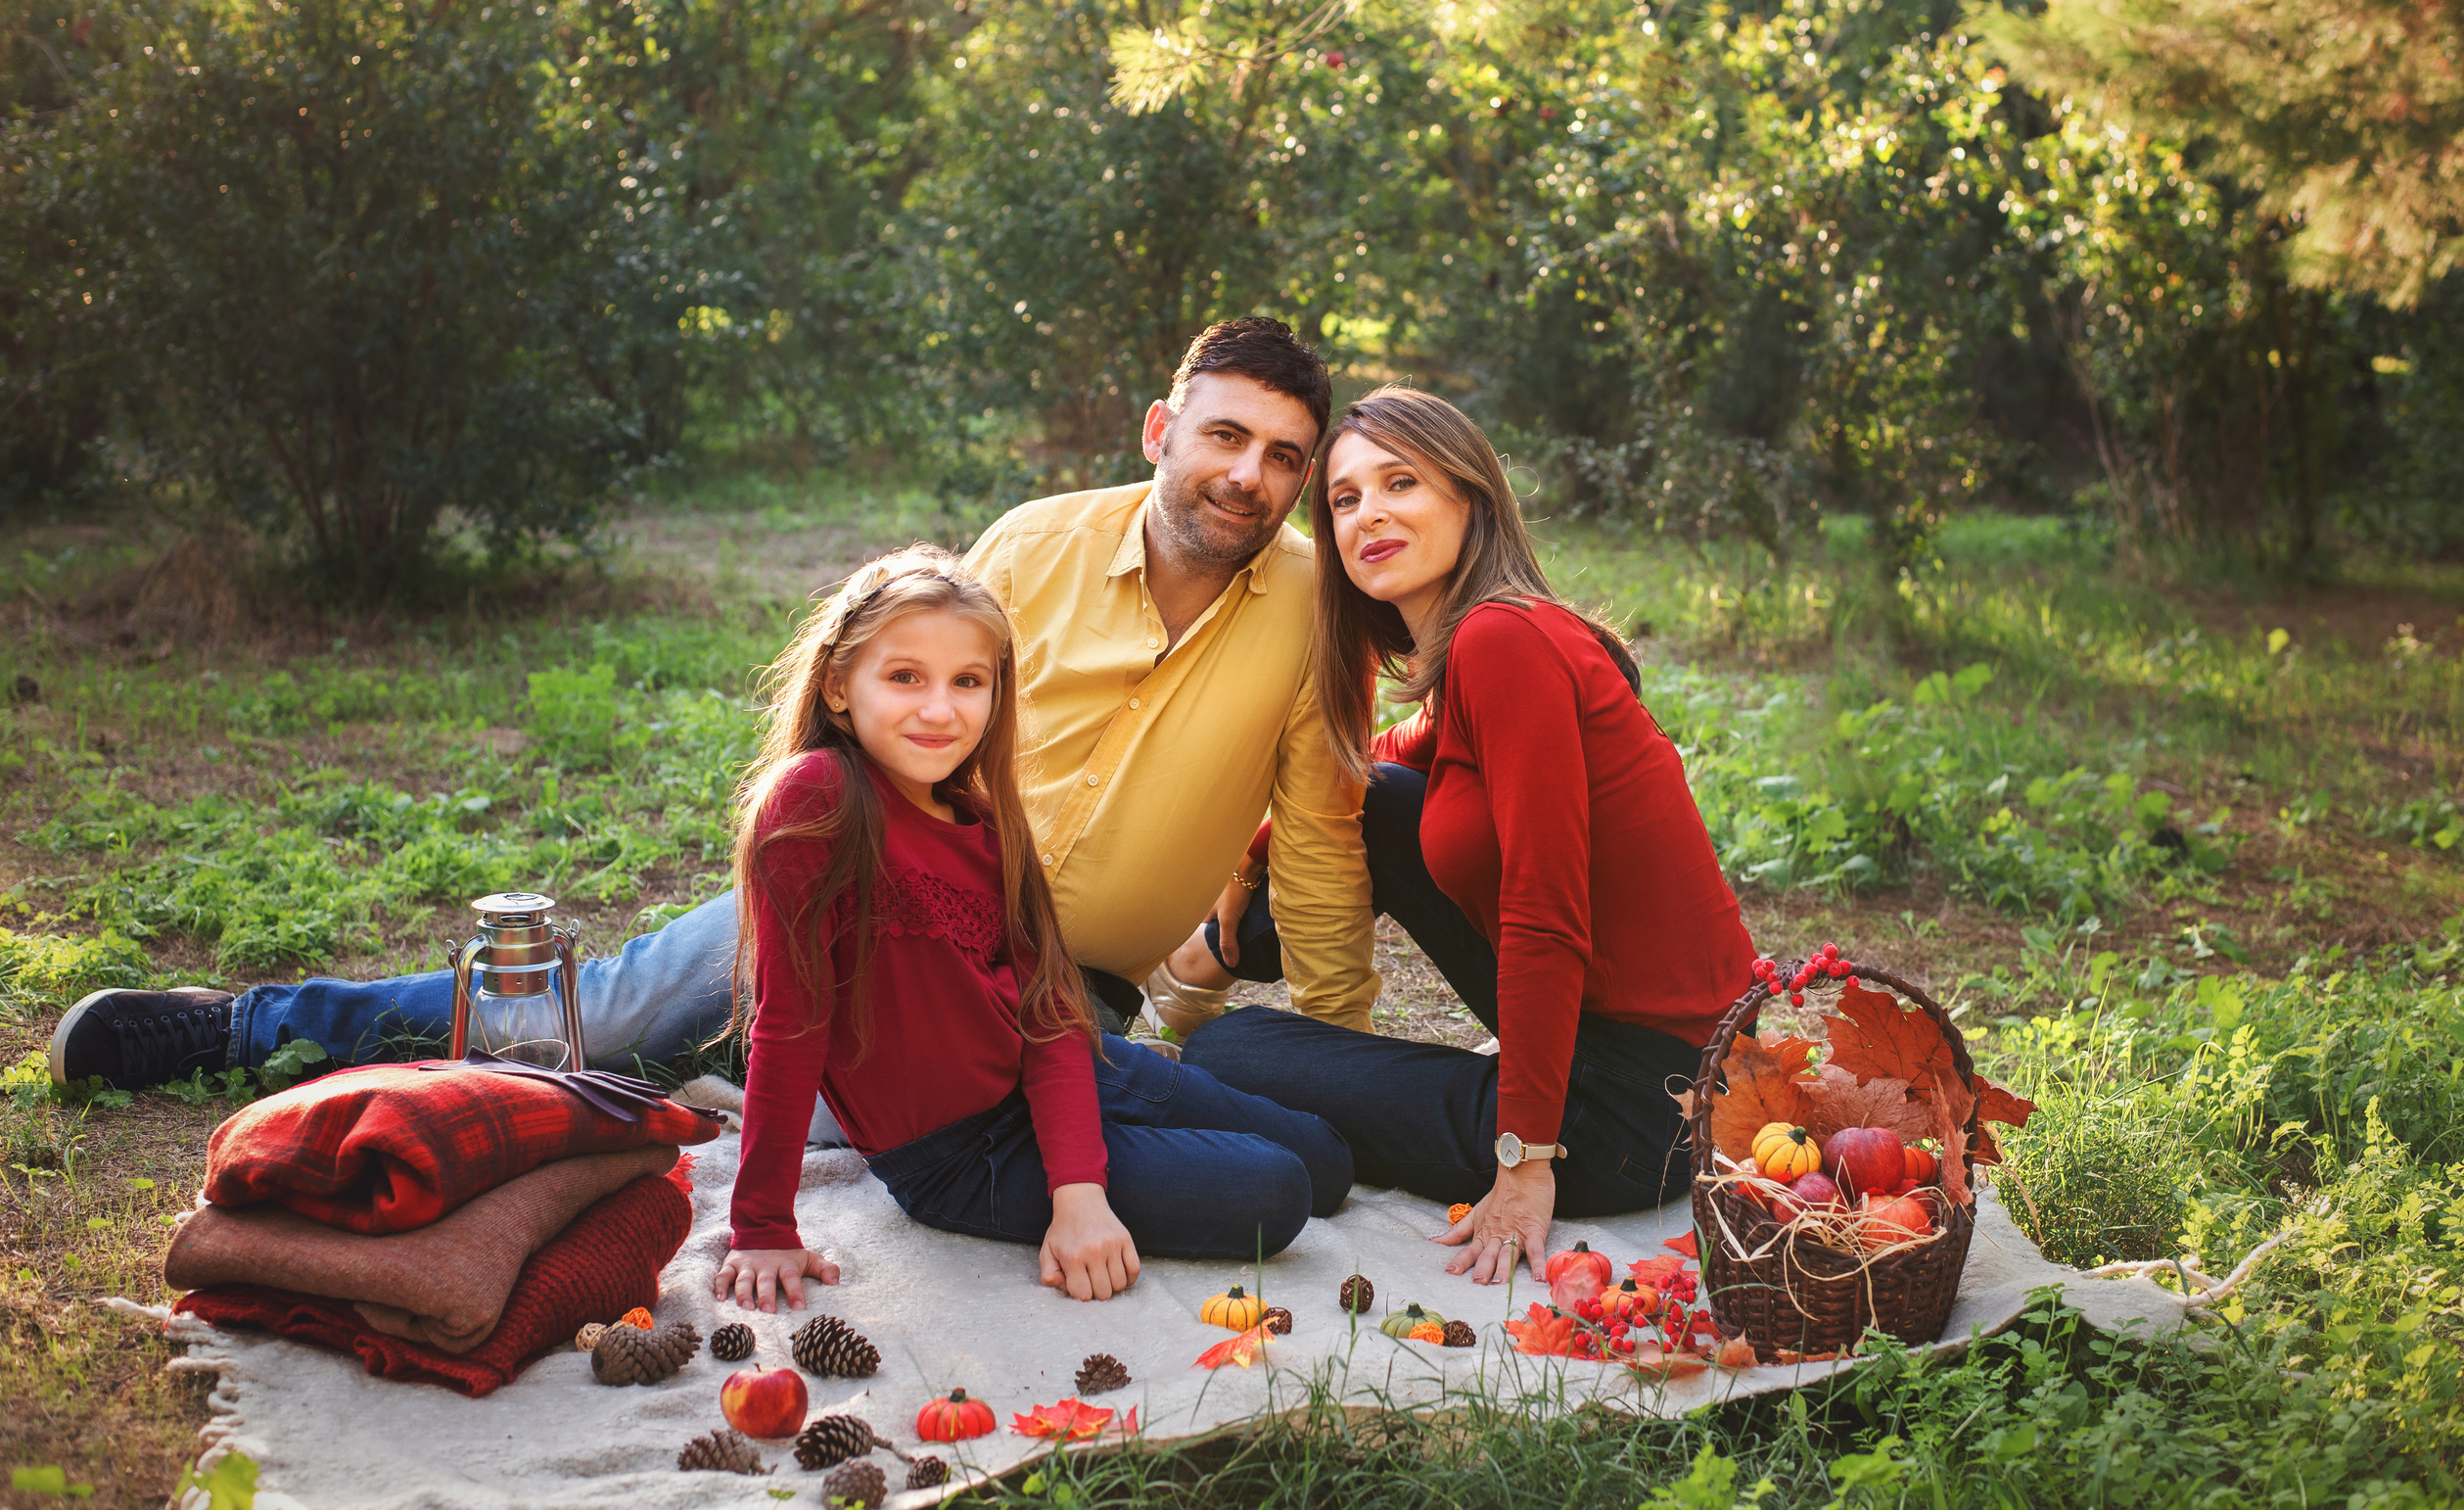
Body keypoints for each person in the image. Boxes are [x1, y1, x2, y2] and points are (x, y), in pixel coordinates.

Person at [49, 317, 1378, 1092]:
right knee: (593, 1022)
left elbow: (1321, 844)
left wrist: (1342, 1059)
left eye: (1282, 457)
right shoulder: (1032, 544)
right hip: (884, 884)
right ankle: (248, 1024)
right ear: (1161, 429)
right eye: (1224, 436)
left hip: (1057, 987)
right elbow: (877, 717)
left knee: (887, 1144)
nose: (1248, 477)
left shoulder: (1317, 622)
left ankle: (717, 1093)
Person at [1178, 387, 1759, 1287]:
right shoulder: (1489, 646)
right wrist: (1243, 877)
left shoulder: (1503, 644)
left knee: (1225, 1052)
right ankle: (1201, 960)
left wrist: (1526, 1162)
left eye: (1399, 482)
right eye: (1343, 499)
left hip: (1642, 1114)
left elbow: (1544, 910)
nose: (1369, 513)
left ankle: (1217, 1007)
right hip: (1634, 1053)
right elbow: (1353, 774)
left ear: (1469, 497)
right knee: (1376, 798)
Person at [715, 545, 1349, 1312]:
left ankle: (1225, 1074)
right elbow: (790, 1023)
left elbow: (1050, 1011)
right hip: (960, 1153)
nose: (940, 708)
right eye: (904, 676)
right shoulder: (817, 802)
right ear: (839, 685)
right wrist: (761, 1225)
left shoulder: (985, 822)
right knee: (1278, 1188)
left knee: (1327, 1161)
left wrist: (1079, 1182)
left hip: (1071, 1065)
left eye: (968, 682)